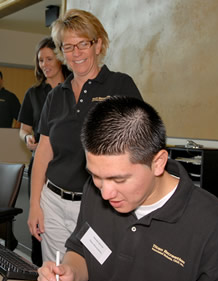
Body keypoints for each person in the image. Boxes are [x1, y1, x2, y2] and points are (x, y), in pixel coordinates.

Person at [37, 96, 218, 281]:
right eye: (95, 176)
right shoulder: (95, 191)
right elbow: (83, 250)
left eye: (119, 180)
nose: (105, 193)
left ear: (157, 163)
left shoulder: (214, 227)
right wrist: (70, 272)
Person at [27, 9, 143, 263]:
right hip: (53, 202)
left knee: (95, 276)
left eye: (83, 44)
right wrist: (35, 204)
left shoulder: (120, 86)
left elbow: (139, 147)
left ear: (98, 44)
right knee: (57, 274)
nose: (76, 53)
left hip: (99, 205)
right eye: (68, 47)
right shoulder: (56, 95)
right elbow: (44, 152)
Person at [18, 36, 71, 266]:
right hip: (40, 165)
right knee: (39, 223)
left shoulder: (74, 88)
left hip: (66, 168)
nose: (45, 64)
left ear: (60, 59)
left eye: (49, 58)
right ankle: (39, 269)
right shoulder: (33, 93)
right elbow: (23, 129)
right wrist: (28, 137)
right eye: (40, 60)